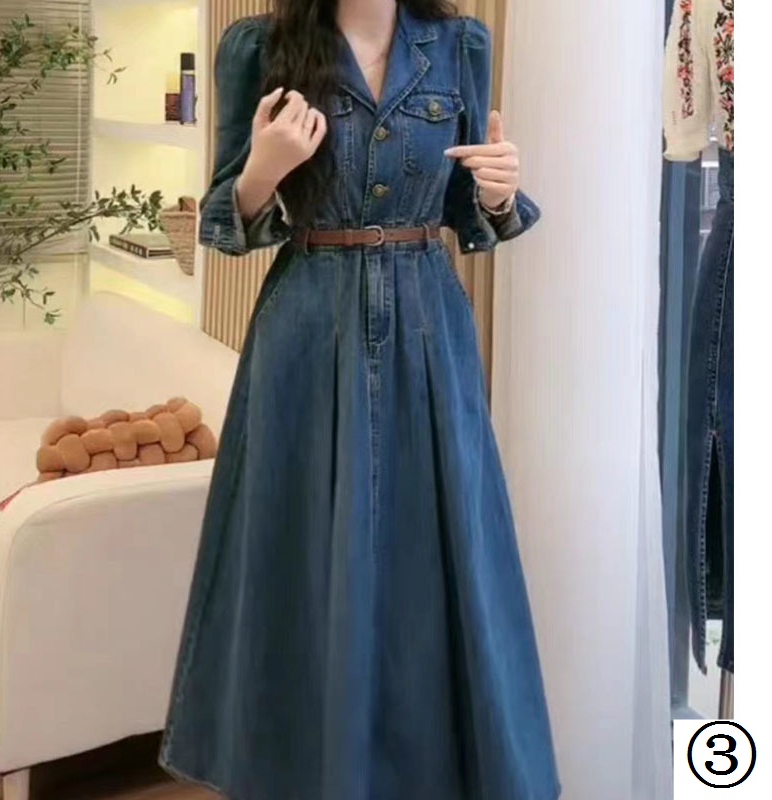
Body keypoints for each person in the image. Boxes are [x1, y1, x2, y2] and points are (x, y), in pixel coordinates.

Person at [158, 1, 561, 798]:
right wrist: (262, 170)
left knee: (438, 550)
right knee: (300, 550)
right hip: (307, 330)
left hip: (428, 327)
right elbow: (224, 224)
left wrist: (500, 194)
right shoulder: (258, 47)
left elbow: (468, 213)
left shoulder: (460, 44)